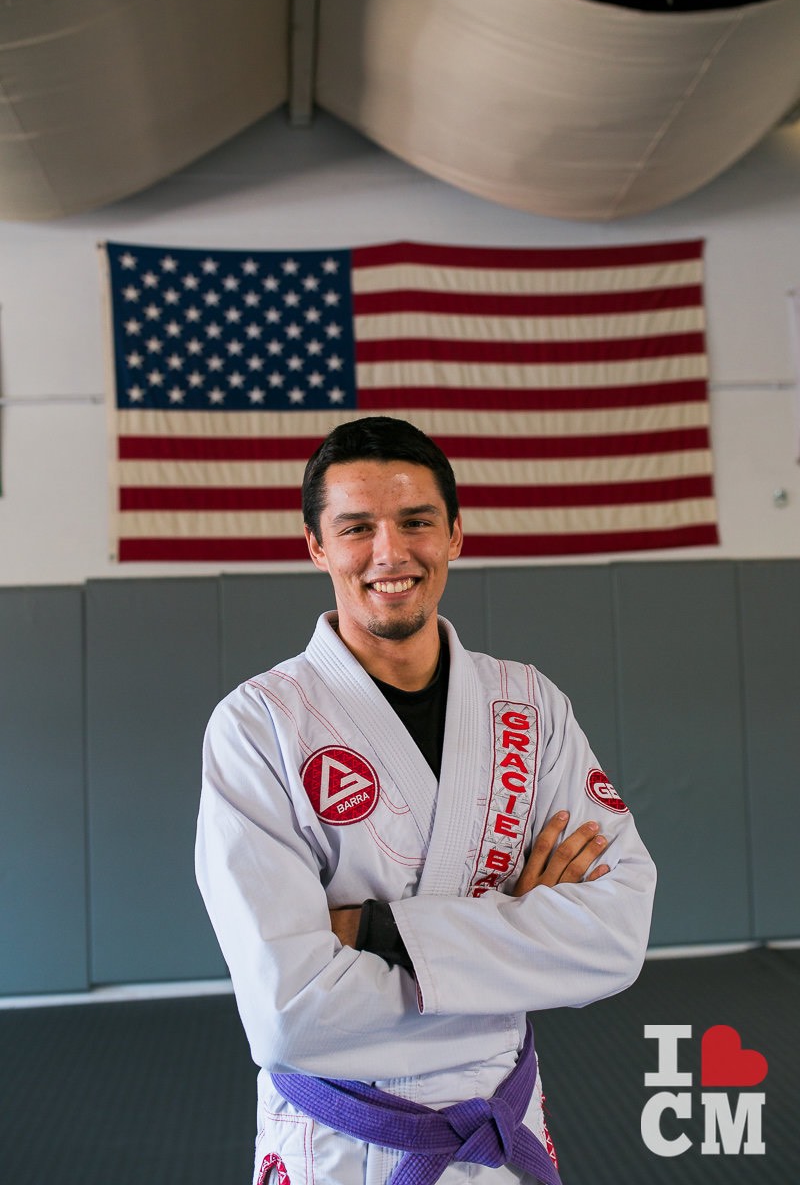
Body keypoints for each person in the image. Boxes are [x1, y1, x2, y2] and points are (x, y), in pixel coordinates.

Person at [196, 416, 656, 1185]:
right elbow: (288, 1014)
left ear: (454, 536)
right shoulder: (260, 724)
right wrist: (518, 927)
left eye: (416, 522)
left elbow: (616, 934)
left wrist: (378, 931)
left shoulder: (528, 706)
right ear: (315, 546)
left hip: (503, 1122)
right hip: (343, 1142)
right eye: (356, 528)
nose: (390, 553)